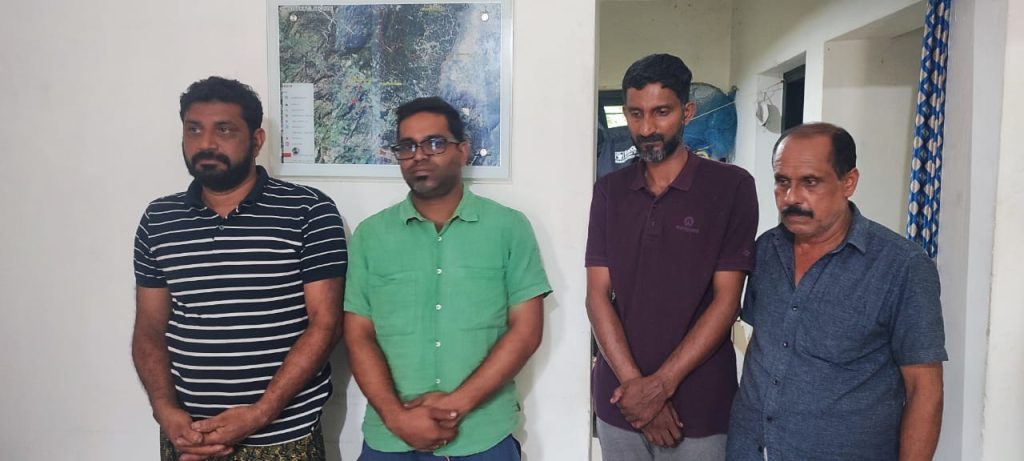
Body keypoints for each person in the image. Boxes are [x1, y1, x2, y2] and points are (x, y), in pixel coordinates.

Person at [131, 76, 347, 461]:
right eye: (193, 130)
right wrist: (164, 411)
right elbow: (149, 328)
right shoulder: (159, 219)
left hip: (283, 437)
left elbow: (326, 324)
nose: (206, 143)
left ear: (257, 140)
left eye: (225, 130)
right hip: (189, 437)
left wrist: (260, 413)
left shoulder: (309, 212)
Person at [344, 96, 551, 460]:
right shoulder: (371, 236)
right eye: (407, 146)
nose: (419, 155)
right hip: (390, 438)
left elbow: (526, 330)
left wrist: (455, 406)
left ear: (463, 150)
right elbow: (358, 333)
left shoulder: (508, 228)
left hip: (483, 436)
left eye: (435, 143)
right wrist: (396, 417)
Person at [727, 123, 946, 460]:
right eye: (782, 182)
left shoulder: (902, 267)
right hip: (750, 450)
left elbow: (924, 391)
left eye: (810, 182)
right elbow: (765, 345)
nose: (791, 197)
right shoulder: (766, 250)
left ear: (849, 182)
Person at [585, 53, 758, 460]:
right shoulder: (609, 191)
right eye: (636, 113)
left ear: (687, 112)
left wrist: (660, 387)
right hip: (620, 400)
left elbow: (727, 302)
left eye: (661, 112)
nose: (647, 128)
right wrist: (637, 390)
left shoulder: (731, 187)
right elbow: (597, 296)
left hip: (699, 405)